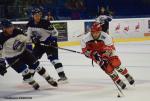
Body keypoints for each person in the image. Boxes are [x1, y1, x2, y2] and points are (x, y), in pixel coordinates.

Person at [0, 19, 57, 90]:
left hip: (24, 53)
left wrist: (33, 39)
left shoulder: (17, 31)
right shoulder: (1, 38)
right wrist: (1, 63)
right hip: (12, 58)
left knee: (38, 66)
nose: (11, 29)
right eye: (8, 27)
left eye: (11, 26)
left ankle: (48, 78)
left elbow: (27, 39)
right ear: (4, 28)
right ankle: (32, 82)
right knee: (25, 71)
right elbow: (0, 53)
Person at [81, 23, 135, 89]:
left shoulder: (106, 37)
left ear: (100, 31)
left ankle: (127, 75)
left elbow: (110, 48)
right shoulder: (85, 39)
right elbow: (85, 51)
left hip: (107, 51)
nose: (94, 34)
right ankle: (118, 80)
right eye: (93, 32)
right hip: (96, 54)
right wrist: (93, 54)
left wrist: (105, 57)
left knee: (116, 63)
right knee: (108, 69)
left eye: (97, 32)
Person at [26, 8, 68, 83]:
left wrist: (52, 41)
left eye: (39, 15)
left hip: (49, 44)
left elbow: (55, 33)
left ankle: (63, 77)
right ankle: (29, 77)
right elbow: (29, 37)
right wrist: (33, 39)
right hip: (39, 45)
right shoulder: (30, 24)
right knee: (32, 60)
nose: (38, 16)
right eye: (36, 15)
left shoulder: (46, 23)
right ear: (32, 16)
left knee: (54, 60)